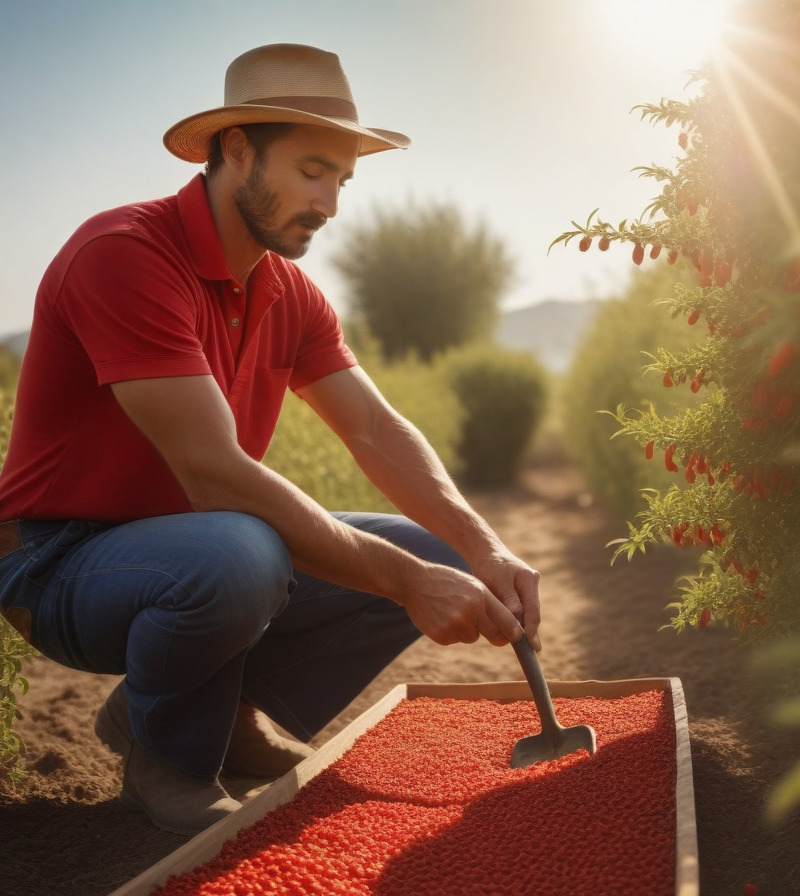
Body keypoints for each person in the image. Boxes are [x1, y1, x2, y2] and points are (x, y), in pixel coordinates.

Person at [0, 43, 541, 835]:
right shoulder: (125, 255)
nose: (330, 204)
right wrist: (404, 580)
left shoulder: (290, 293)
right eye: (313, 171)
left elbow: (375, 428)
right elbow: (212, 474)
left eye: (342, 181)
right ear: (238, 149)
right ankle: (168, 759)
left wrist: (481, 545)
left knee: (443, 555)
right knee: (245, 551)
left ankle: (225, 715)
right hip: (58, 560)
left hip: (199, 542)